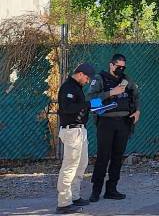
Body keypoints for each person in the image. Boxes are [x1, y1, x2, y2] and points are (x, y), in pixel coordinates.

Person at [87, 54, 140, 202]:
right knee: (103, 157)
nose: (121, 69)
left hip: (124, 122)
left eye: (123, 67)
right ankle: (95, 191)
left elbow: (135, 96)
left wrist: (137, 111)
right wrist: (111, 93)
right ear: (111, 65)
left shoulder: (126, 80)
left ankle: (111, 189)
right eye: (118, 67)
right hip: (106, 122)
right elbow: (91, 100)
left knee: (117, 157)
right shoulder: (100, 79)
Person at [56, 63, 96, 214]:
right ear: (80, 74)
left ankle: (74, 196)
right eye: (86, 78)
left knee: (81, 165)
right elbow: (67, 108)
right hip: (71, 131)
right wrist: (87, 104)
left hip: (79, 130)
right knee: (70, 167)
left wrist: (92, 106)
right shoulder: (68, 88)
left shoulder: (76, 87)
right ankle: (64, 203)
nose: (87, 81)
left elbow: (79, 107)